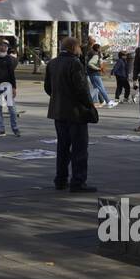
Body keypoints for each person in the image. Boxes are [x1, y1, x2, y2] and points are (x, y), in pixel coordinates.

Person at [45, 37, 97, 192]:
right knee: (79, 149)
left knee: (62, 147)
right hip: (76, 113)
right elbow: (81, 89)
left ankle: (60, 180)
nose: (80, 50)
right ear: (74, 48)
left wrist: (59, 97)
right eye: (79, 47)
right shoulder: (75, 63)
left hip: (58, 112)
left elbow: (48, 88)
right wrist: (90, 105)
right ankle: (78, 182)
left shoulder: (52, 63)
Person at [85, 42, 113, 107]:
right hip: (95, 73)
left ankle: (99, 102)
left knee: (96, 88)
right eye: (100, 48)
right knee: (100, 88)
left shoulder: (91, 53)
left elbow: (97, 60)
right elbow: (91, 63)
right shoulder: (95, 54)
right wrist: (98, 68)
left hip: (91, 73)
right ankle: (108, 101)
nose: (100, 49)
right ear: (97, 49)